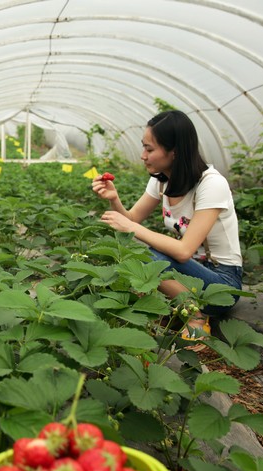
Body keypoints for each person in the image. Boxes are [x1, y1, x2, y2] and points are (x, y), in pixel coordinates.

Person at [91, 110, 243, 342]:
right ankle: (183, 304)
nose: (143, 155)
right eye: (143, 147)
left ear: (176, 151)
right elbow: (132, 219)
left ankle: (196, 318)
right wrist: (114, 199)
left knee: (143, 252)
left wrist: (133, 230)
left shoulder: (212, 184)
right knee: (134, 248)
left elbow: (183, 251)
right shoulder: (161, 180)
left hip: (222, 283)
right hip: (191, 272)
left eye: (150, 149)